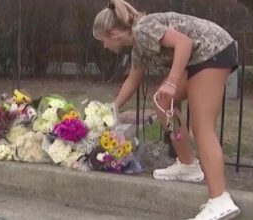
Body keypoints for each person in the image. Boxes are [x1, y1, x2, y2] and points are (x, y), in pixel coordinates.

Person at [93, 0, 240, 219]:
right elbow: (132, 82)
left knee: (202, 128)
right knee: (163, 103)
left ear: (113, 33)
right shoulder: (138, 47)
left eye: (102, 41)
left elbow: (184, 43)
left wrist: (172, 82)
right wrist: (112, 108)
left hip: (212, 52)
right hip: (198, 58)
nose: (104, 46)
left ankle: (220, 199)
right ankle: (188, 165)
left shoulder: (143, 28)